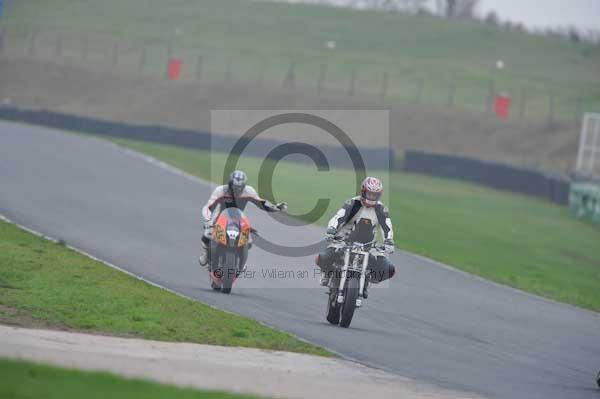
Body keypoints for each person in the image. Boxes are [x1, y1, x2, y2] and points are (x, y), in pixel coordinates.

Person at [315, 177, 395, 297]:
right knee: (322, 258)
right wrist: (332, 229)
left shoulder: (381, 209)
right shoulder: (353, 203)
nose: (371, 197)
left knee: (389, 269)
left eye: (374, 195)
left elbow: (387, 226)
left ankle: (367, 280)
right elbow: (338, 217)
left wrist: (389, 241)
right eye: (369, 193)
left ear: (379, 195)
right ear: (363, 191)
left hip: (369, 246)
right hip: (344, 241)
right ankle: (327, 274)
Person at [198, 170, 287, 266]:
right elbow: (208, 206)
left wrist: (275, 207)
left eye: (239, 187)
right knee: (207, 234)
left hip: (238, 219)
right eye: (234, 187)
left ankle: (242, 259)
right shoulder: (220, 191)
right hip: (219, 218)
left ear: (244, 186)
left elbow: (261, 203)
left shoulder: (248, 191)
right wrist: (208, 219)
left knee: (248, 241)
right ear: (230, 184)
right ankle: (206, 253)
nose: (236, 190)